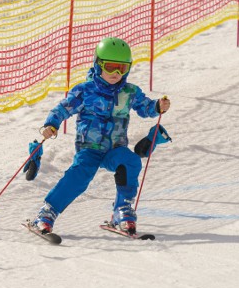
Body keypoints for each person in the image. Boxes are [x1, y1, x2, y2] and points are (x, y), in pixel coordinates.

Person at [31, 37, 171, 234]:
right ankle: (46, 214)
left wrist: (157, 106)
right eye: (111, 67)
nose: (115, 73)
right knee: (80, 174)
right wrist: (51, 125)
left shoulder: (129, 92)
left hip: (115, 149)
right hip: (90, 148)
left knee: (130, 161)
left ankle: (122, 210)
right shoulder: (85, 91)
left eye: (121, 69)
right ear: (98, 65)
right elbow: (62, 109)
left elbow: (145, 108)